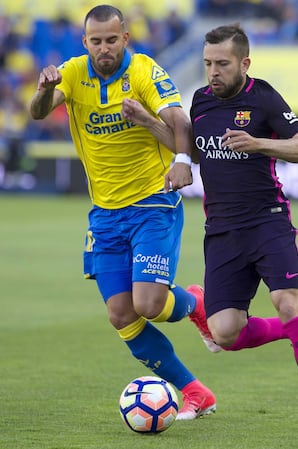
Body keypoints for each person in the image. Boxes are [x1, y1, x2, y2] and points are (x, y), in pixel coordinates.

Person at [123, 23, 298, 432]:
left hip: (267, 222)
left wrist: (261, 143)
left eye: (221, 64)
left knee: (289, 301)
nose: (212, 72)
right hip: (222, 232)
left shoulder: (264, 97)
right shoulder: (201, 101)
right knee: (225, 333)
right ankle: (295, 332)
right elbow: (192, 151)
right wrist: (146, 122)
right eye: (207, 63)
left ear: (244, 63)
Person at [29, 4, 216, 421]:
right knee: (121, 315)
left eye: (111, 40)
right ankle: (195, 392)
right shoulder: (74, 72)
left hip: (152, 202)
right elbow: (39, 112)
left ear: (125, 38)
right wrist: (44, 89)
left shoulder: (145, 71)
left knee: (148, 304)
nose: (104, 48)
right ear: (85, 43)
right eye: (95, 41)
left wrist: (182, 159)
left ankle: (196, 303)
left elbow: (177, 119)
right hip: (105, 214)